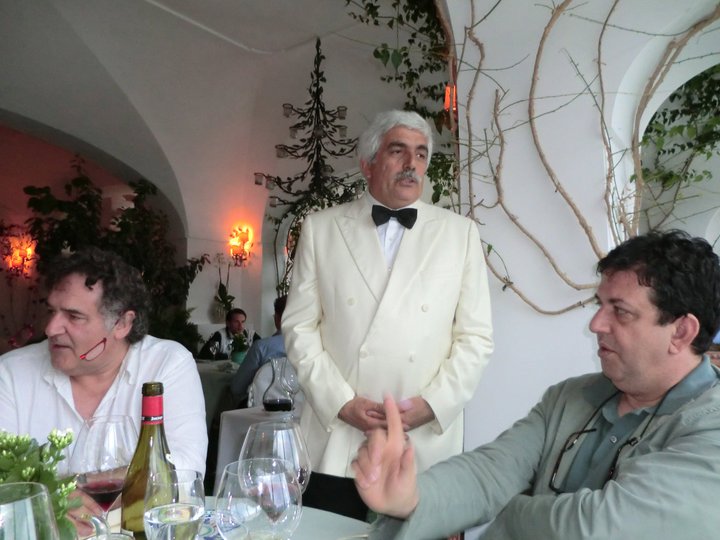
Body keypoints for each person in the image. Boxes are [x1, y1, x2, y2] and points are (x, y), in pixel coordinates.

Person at [353, 230, 720, 539]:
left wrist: (511, 512)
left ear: (681, 332)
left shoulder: (710, 428)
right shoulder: (571, 396)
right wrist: (411, 498)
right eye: (600, 305)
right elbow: (491, 472)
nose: (596, 324)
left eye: (620, 311)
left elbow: (600, 529)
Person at [282, 110, 494, 519]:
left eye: (421, 154)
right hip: (339, 438)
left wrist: (433, 404)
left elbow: (476, 338)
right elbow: (298, 327)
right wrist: (340, 402)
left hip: (422, 443)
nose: (412, 164)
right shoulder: (321, 229)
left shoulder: (460, 234)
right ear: (368, 163)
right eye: (398, 151)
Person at [0, 247, 208, 474]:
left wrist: (78, 487)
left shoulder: (165, 365)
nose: (51, 329)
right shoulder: (11, 373)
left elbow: (185, 470)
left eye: (74, 316)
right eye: (51, 311)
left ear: (122, 324)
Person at [230, 295, 289, 407]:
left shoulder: (261, 347)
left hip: (262, 409)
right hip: (301, 410)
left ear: (277, 318)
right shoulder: (314, 348)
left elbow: (236, 388)